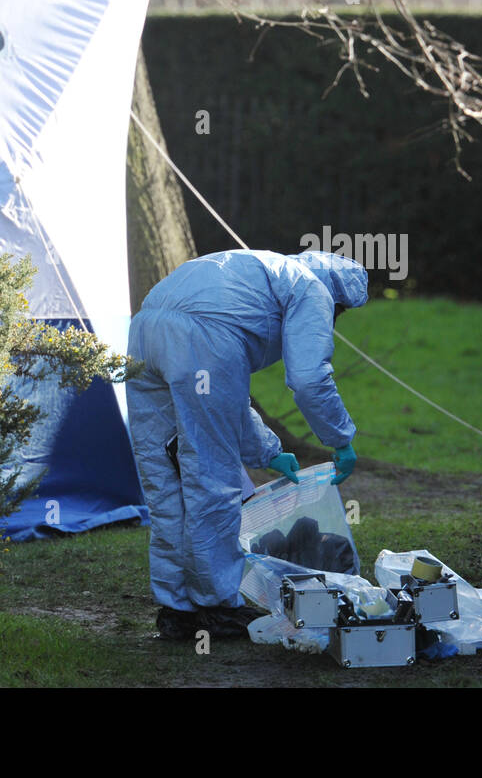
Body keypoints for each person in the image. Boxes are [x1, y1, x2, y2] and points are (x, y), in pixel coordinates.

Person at [126, 249, 367, 640]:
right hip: (200, 338)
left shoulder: (263, 269)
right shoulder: (312, 289)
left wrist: (269, 451)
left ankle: (176, 609)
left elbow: (229, 399)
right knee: (212, 480)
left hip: (143, 330)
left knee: (164, 476)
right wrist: (340, 439)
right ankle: (216, 606)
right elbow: (309, 380)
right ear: (339, 299)